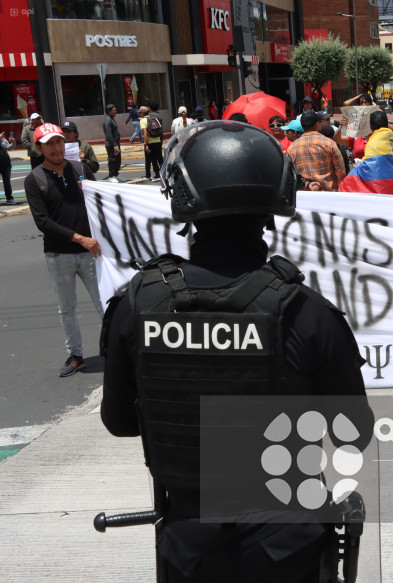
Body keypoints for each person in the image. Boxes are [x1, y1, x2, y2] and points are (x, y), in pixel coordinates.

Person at [100, 120, 374, 583]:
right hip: (289, 548)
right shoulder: (306, 311)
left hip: (189, 549)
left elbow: (120, 422)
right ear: (277, 201)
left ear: (184, 199)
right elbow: (354, 432)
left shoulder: (138, 304)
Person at [24, 123, 103, 376]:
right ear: (39, 148)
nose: (56, 148)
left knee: (105, 302)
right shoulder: (34, 179)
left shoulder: (81, 169)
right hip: (59, 255)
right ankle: (76, 355)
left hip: (92, 250)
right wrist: (81, 239)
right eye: (49, 144)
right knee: (66, 309)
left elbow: (102, 201)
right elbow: (43, 222)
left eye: (59, 141)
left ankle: (118, 348)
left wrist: (90, 190)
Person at [339, 110, 393, 195]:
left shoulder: (372, 142)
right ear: (387, 125)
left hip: (383, 189)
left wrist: (353, 173)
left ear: (370, 127)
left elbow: (368, 169)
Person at [287, 111, 347, 191]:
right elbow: (340, 171)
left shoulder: (291, 148)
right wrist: (340, 191)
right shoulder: (329, 143)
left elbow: (291, 174)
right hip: (328, 194)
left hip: (304, 195)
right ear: (317, 124)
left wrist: (306, 184)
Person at [142, 101, 165, 183]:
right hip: (159, 138)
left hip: (150, 139)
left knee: (153, 158)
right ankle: (163, 173)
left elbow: (145, 131)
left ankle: (156, 173)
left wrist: (146, 144)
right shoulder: (159, 116)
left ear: (150, 108)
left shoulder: (149, 116)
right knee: (160, 157)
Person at [103, 103, 122, 183]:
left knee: (118, 160)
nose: (115, 112)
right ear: (108, 111)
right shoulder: (108, 120)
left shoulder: (112, 119)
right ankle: (111, 176)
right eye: (113, 110)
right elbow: (109, 134)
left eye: (115, 110)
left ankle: (116, 175)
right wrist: (114, 145)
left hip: (116, 143)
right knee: (112, 160)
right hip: (111, 144)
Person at [0, 131, 18, 205]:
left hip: (5, 162)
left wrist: (13, 142)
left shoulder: (2, 138)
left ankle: (9, 198)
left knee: (7, 182)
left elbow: (9, 148)